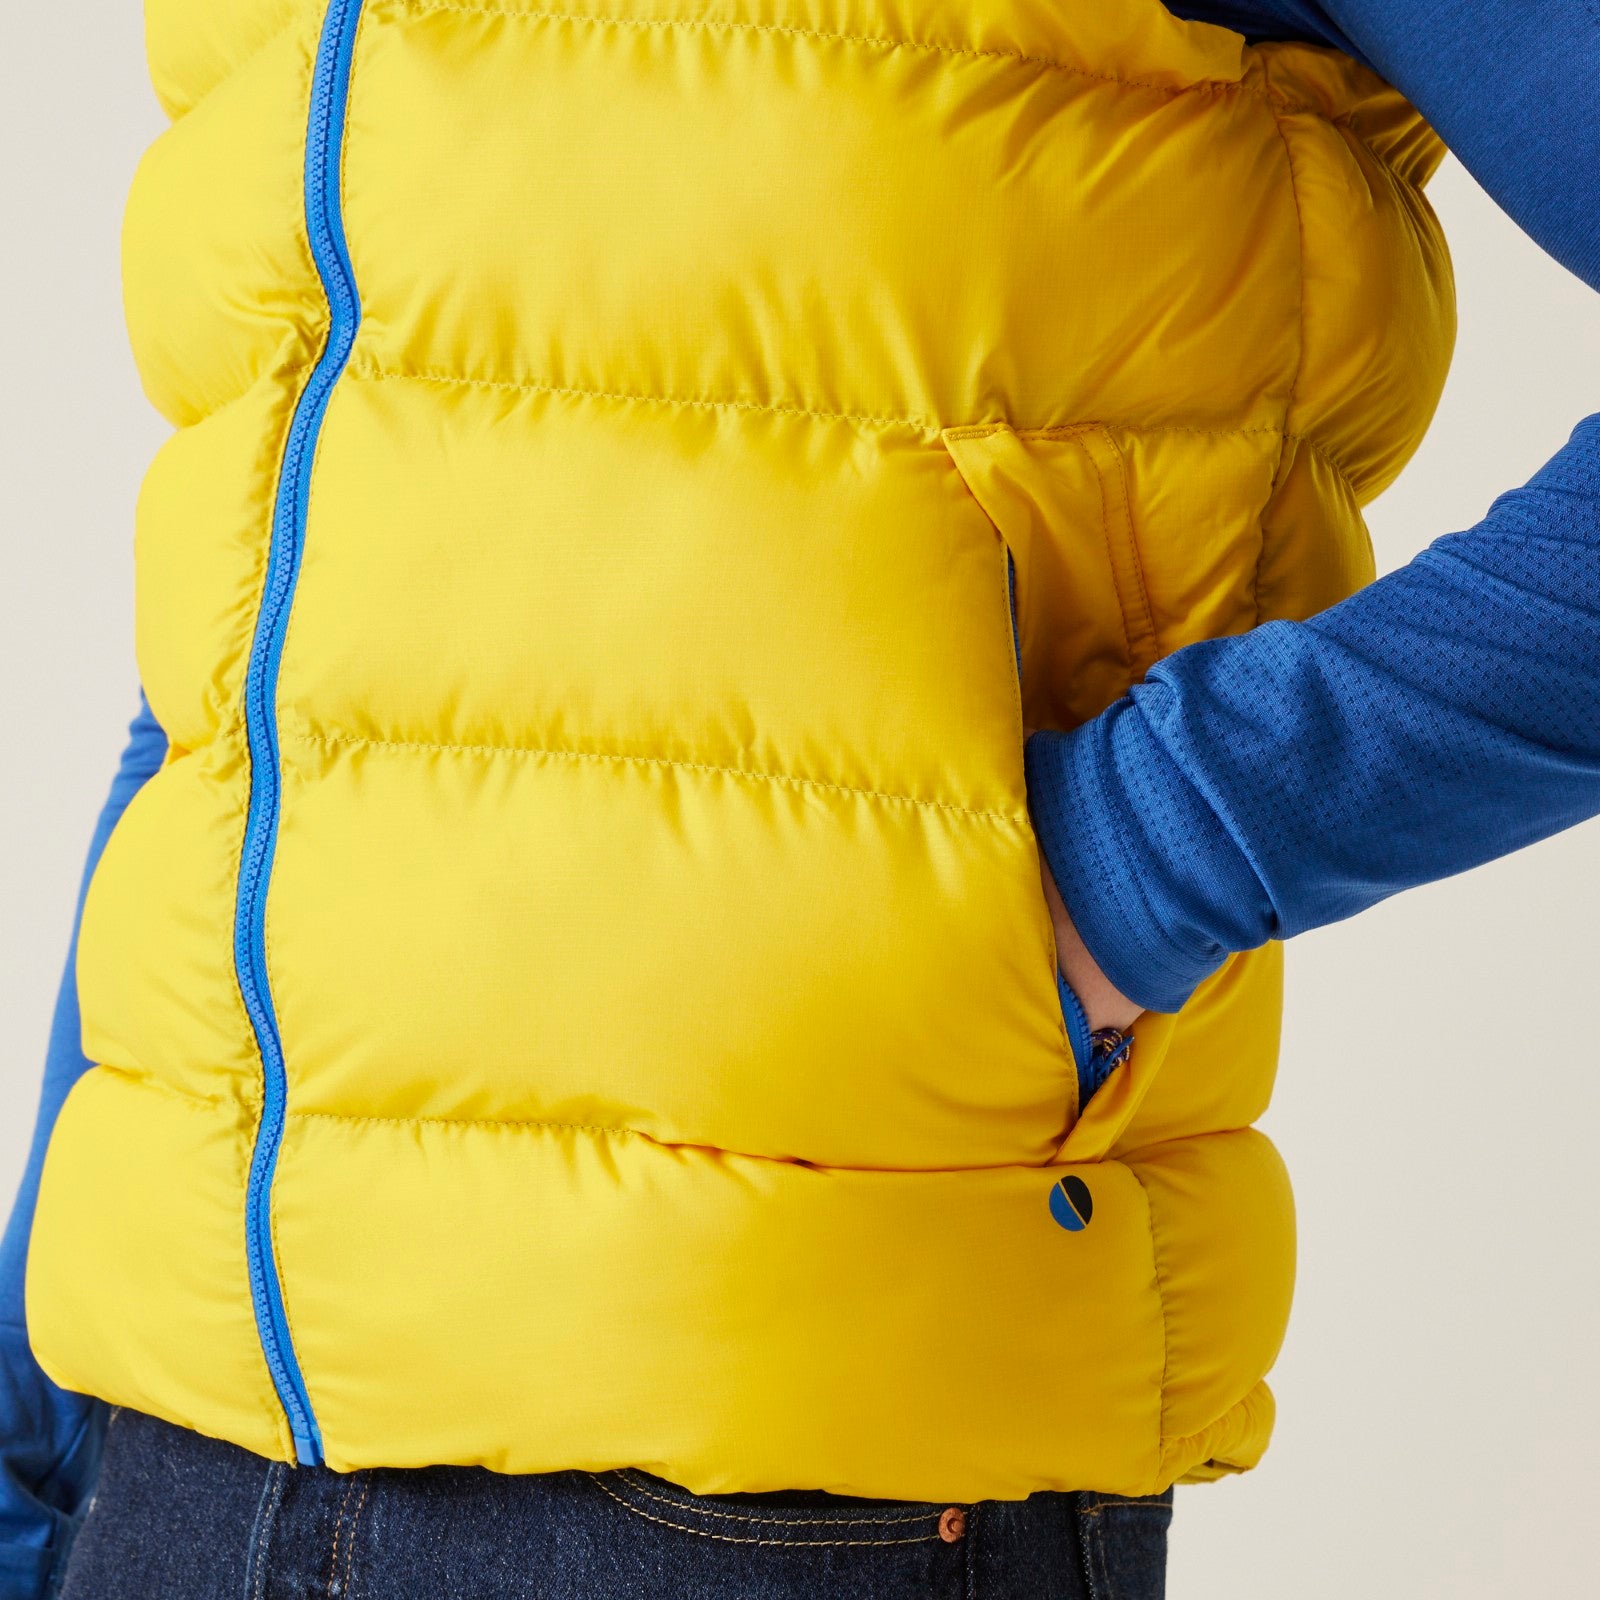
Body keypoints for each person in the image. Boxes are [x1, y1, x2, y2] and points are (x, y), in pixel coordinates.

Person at [3, 1, 1597, 1595]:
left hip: (776, 1443)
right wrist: (28, 1445)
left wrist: (1135, 857)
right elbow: (240, 678)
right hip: (166, 1467)